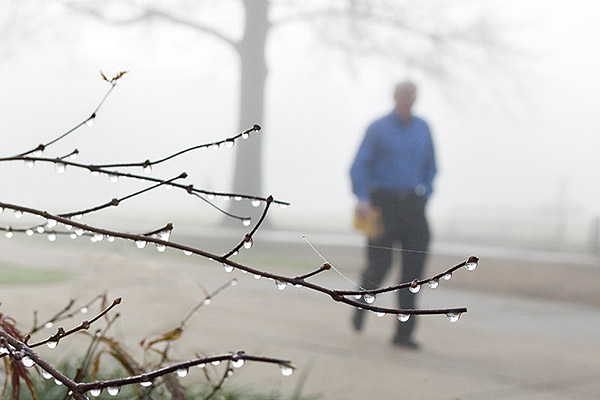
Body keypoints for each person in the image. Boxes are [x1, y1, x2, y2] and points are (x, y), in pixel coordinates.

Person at [349, 80, 437, 349]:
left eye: (411, 95)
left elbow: (431, 166)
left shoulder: (423, 128)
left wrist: (425, 193)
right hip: (381, 205)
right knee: (380, 264)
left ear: (416, 97)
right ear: (394, 96)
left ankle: (404, 333)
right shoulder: (378, 128)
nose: (407, 99)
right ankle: (362, 300)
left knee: (413, 274)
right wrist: (363, 198)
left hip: (413, 205)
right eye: (403, 95)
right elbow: (358, 167)